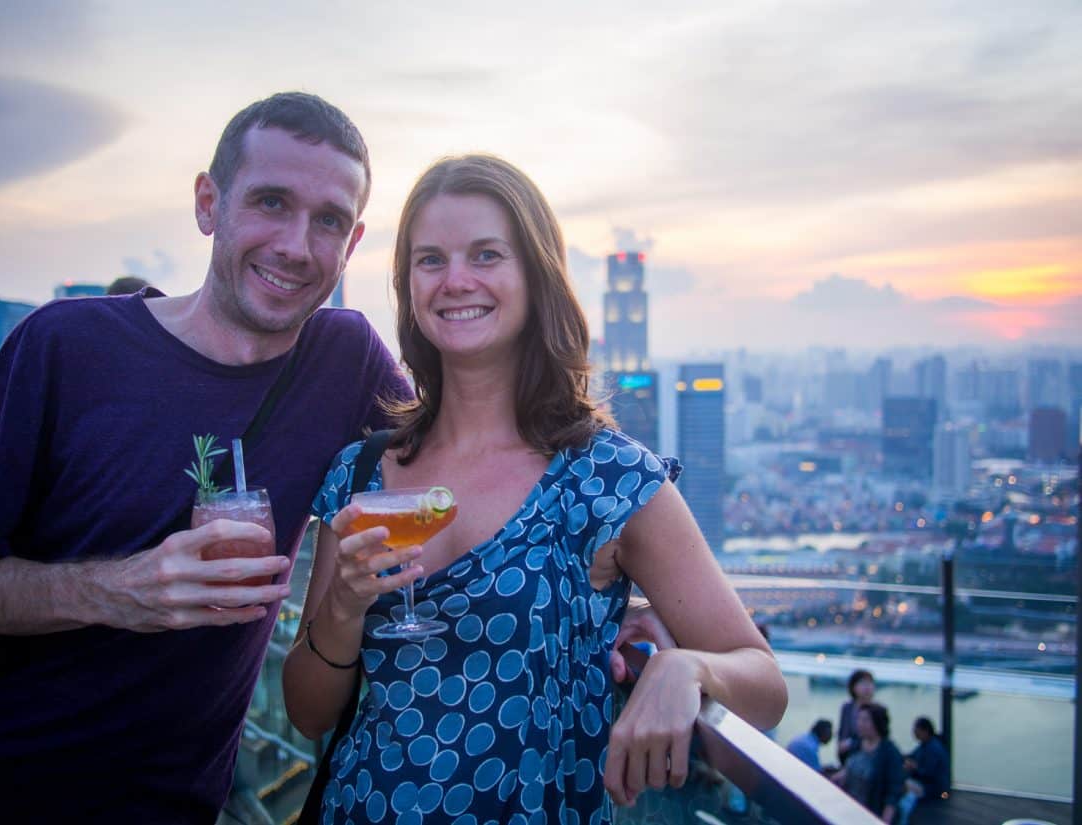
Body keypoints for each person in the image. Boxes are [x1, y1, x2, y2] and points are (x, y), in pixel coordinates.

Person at [282, 154, 788, 824]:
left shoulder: (607, 478)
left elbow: (765, 682)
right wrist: (344, 606)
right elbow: (309, 713)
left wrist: (686, 670)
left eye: (487, 254)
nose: (456, 279)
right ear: (408, 283)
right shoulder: (361, 471)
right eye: (430, 259)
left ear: (535, 275)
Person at [0, 92, 410, 823]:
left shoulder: (347, 361)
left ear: (354, 242)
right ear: (208, 203)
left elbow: (473, 457)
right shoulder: (61, 346)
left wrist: (612, 593)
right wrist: (115, 590)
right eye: (271, 202)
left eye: (329, 221)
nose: (297, 246)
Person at [831, 703, 905, 823]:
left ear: (878, 723)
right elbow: (850, 769)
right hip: (849, 812)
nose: (859, 724)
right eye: (858, 719)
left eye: (865, 720)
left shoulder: (890, 753)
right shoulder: (857, 745)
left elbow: (893, 792)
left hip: (873, 813)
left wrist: (884, 821)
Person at [897, 716, 950, 824]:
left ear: (925, 731)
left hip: (938, 791)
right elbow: (911, 756)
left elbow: (929, 774)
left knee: (902, 784)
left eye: (916, 731)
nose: (914, 734)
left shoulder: (933, 749)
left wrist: (913, 767)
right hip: (929, 785)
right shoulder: (925, 745)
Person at [838, 668, 878, 762]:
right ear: (853, 687)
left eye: (870, 683)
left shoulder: (877, 710)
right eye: (863, 683)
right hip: (848, 756)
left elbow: (878, 739)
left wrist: (851, 743)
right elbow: (843, 735)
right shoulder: (847, 708)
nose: (867, 687)